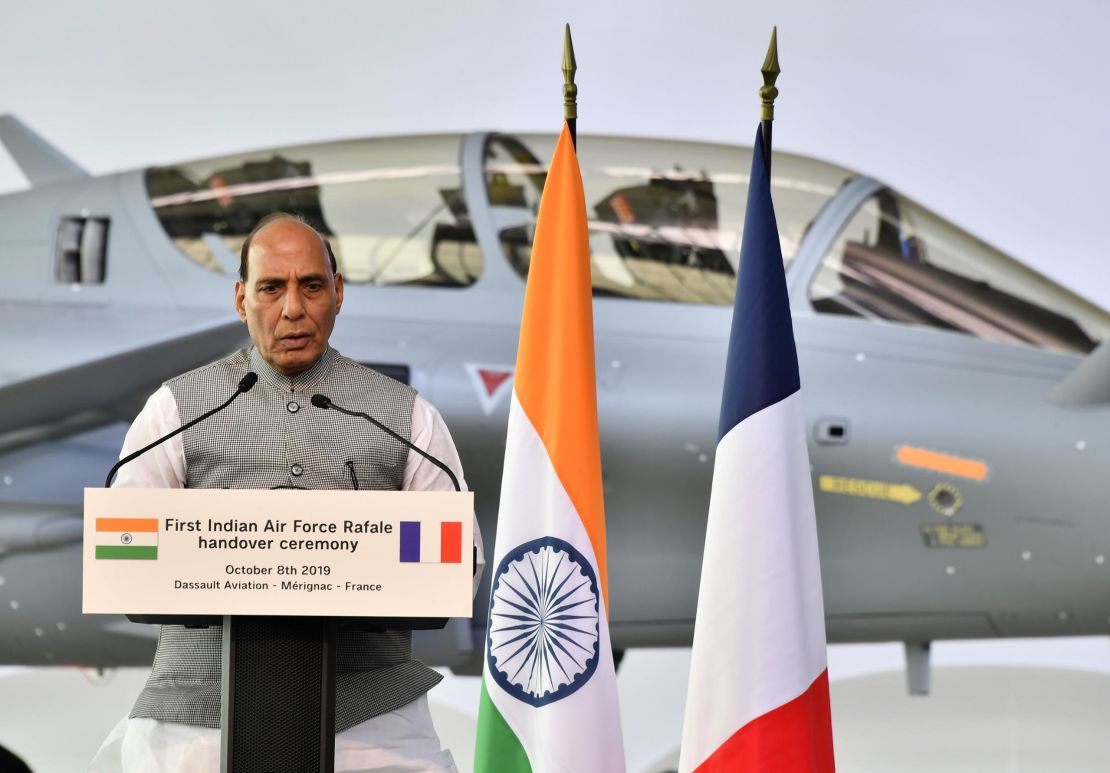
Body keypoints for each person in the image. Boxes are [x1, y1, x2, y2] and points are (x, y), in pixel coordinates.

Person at [90, 213, 482, 773]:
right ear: (241, 297)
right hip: (195, 724)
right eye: (272, 288)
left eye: (312, 286)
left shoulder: (405, 416)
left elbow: (459, 561)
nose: (293, 309)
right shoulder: (177, 408)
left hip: (371, 723)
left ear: (339, 293)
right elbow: (122, 550)